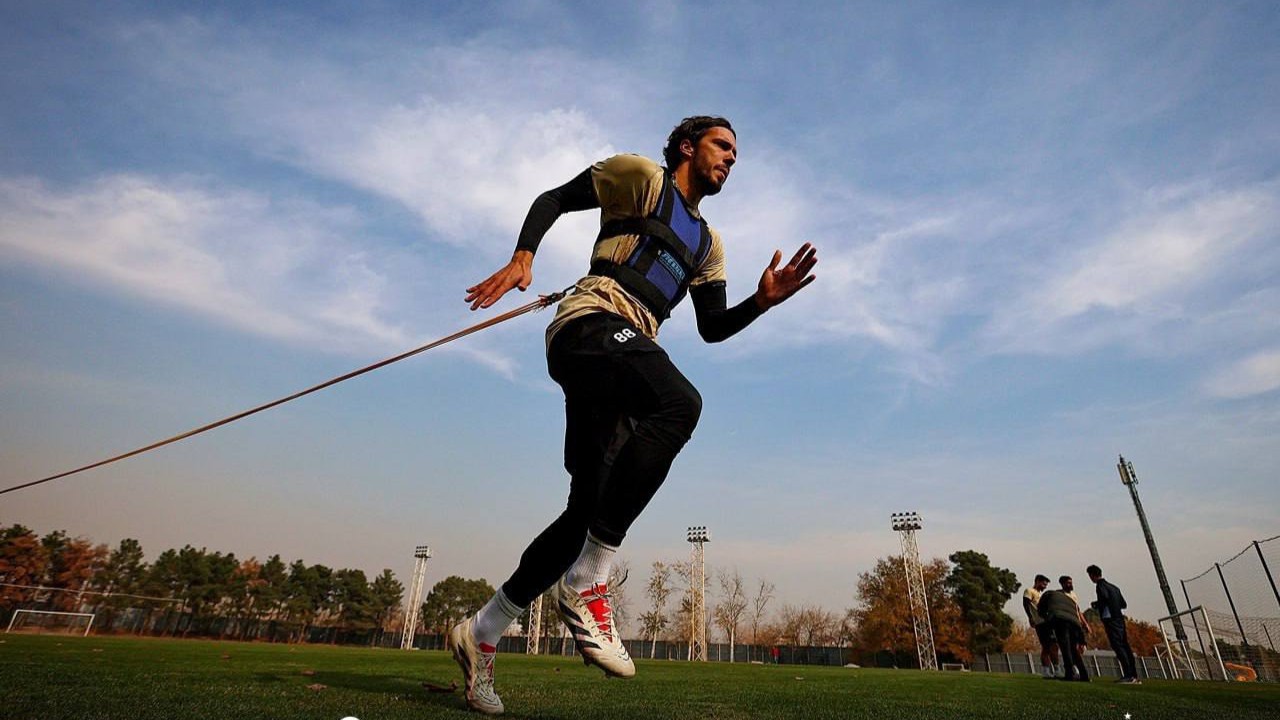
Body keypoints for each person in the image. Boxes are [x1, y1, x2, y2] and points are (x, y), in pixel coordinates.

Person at [449, 116, 818, 715]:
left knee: (582, 513)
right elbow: (557, 197)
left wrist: (763, 301)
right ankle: (591, 577)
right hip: (589, 325)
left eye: (735, 153)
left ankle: (483, 631)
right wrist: (523, 255)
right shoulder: (643, 180)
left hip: (626, 355)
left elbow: (713, 328)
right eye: (722, 146)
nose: (731, 158)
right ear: (686, 147)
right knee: (680, 403)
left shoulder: (708, 244)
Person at [1088, 564, 1140, 684]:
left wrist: (1097, 604)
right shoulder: (1114, 587)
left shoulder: (1100, 586)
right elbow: (1123, 604)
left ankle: (1128, 675)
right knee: (1125, 645)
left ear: (1092, 575)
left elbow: (1104, 598)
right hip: (1119, 618)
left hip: (1110, 618)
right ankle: (1133, 674)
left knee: (1118, 646)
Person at [1038, 584, 1089, 681]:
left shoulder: (1048, 594)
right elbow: (1077, 618)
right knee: (1074, 650)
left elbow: (1040, 609)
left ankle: (1069, 675)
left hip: (1060, 620)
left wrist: (1046, 619)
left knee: (1065, 648)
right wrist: (1082, 641)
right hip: (1075, 623)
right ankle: (1084, 675)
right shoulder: (1070, 600)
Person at [1023, 574, 1060, 678]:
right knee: (1047, 646)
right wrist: (1030, 617)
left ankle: (1056, 669)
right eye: (1044, 584)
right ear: (1038, 581)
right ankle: (1046, 671)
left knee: (1054, 645)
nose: (1045, 586)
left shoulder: (1041, 595)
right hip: (1040, 622)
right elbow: (1026, 604)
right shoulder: (1029, 591)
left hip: (1048, 622)